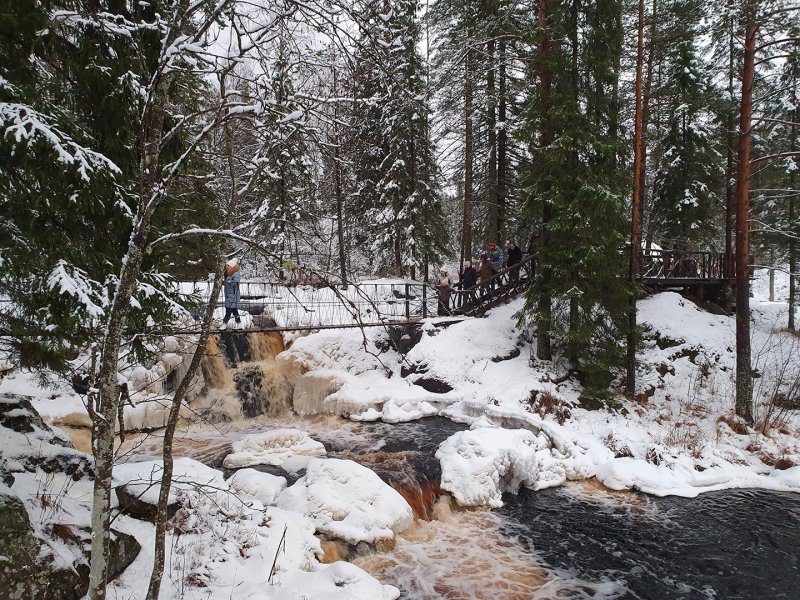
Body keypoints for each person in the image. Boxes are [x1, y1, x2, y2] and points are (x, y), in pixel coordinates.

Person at [221, 257, 242, 331]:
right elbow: (228, 284)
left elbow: (235, 283)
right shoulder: (228, 274)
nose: (227, 267)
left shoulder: (236, 274)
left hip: (233, 295)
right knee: (234, 310)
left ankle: (224, 324)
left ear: (232, 266)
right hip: (229, 295)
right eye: (227, 266)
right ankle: (239, 323)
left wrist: (229, 281)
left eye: (228, 266)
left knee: (228, 310)